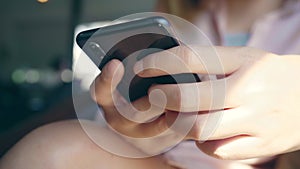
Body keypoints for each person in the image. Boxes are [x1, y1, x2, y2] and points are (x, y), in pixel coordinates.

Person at [1, 0, 300, 168]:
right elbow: (110, 128)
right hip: (158, 161)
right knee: (54, 149)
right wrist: (129, 129)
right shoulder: (173, 17)